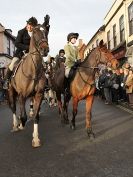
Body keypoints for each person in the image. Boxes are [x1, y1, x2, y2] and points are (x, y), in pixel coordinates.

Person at [3, 17, 38, 89]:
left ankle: (44, 84)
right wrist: (28, 47)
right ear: (27, 24)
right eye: (29, 25)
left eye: (32, 26)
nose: (30, 27)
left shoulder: (36, 33)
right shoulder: (21, 32)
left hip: (32, 54)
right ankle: (6, 81)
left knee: (43, 65)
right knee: (12, 64)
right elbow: (17, 43)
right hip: (20, 53)